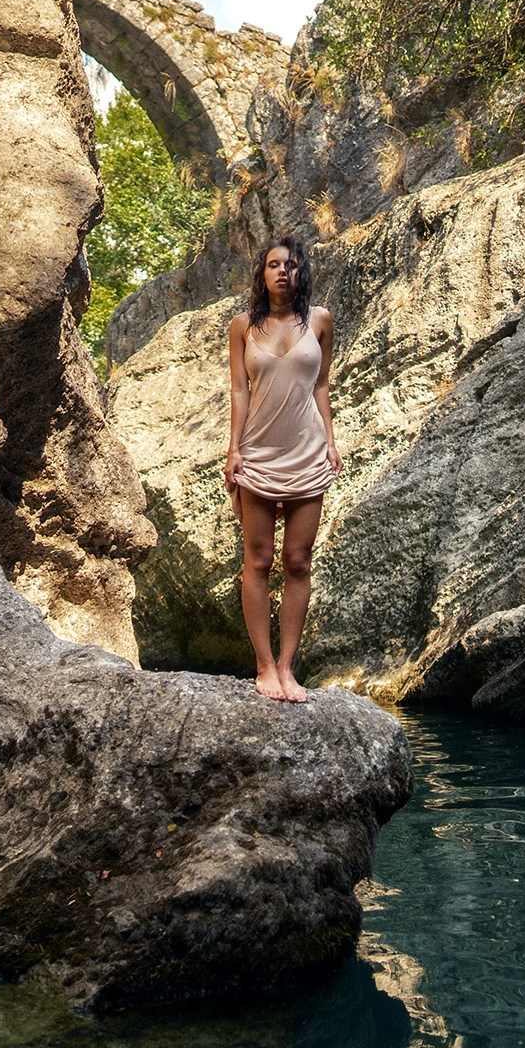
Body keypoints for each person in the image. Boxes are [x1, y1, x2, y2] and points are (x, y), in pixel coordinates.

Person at [223, 237, 341, 702]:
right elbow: (239, 390)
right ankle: (264, 666)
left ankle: (288, 667)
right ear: (262, 273)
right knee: (258, 560)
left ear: (300, 273)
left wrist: (331, 441)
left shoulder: (320, 320)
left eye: (290, 266)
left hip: (308, 451)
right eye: (273, 265)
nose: (282, 272)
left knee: (298, 561)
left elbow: (322, 385)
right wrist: (233, 449)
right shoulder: (242, 327)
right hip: (257, 452)